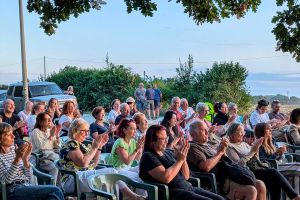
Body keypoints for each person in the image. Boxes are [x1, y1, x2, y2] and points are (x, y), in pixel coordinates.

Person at [59, 119, 144, 199]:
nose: (87, 134)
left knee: (118, 175)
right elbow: (83, 163)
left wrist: (99, 148)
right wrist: (94, 148)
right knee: (112, 172)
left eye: (87, 131)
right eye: (84, 131)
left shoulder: (82, 145)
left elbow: (94, 164)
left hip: (84, 176)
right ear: (75, 130)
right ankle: (135, 197)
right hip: (73, 180)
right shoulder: (71, 144)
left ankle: (137, 189)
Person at [139, 124, 225, 200]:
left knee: (219, 198)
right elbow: (166, 178)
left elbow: (186, 176)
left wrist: (183, 158)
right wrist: (179, 160)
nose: (166, 141)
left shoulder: (168, 152)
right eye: (162, 139)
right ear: (152, 141)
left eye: (167, 138)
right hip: (171, 193)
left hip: (188, 188)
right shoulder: (148, 156)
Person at [187, 120, 266, 200]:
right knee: (251, 191)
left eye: (207, 130)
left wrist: (223, 149)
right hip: (218, 180)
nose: (207, 133)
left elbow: (224, 159)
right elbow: (206, 167)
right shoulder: (193, 148)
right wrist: (220, 152)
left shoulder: (208, 145)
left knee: (260, 184)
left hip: (228, 175)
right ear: (193, 134)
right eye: (203, 131)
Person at [226, 122, 300, 200]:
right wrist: (253, 151)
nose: (243, 134)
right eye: (240, 132)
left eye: (243, 131)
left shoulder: (244, 144)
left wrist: (256, 150)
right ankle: (295, 196)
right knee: (273, 172)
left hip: (256, 168)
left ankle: (293, 196)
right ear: (232, 134)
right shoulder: (230, 147)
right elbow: (239, 165)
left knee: (274, 181)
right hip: (246, 172)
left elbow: (256, 160)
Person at [0, 122, 64, 200]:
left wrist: (25, 160)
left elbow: (29, 177)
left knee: (52, 195)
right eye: (8, 135)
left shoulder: (14, 150)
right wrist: (17, 159)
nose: (13, 136)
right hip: (12, 190)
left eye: (12, 133)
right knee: (56, 191)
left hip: (26, 186)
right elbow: (6, 181)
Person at [30, 112, 61, 185]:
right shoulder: (36, 131)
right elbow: (41, 147)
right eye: (48, 120)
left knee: (61, 164)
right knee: (55, 167)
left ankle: (59, 186)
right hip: (39, 158)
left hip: (50, 157)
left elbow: (56, 146)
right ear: (41, 122)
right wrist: (51, 136)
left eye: (50, 119)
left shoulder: (49, 131)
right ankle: (52, 188)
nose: (50, 121)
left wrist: (56, 136)